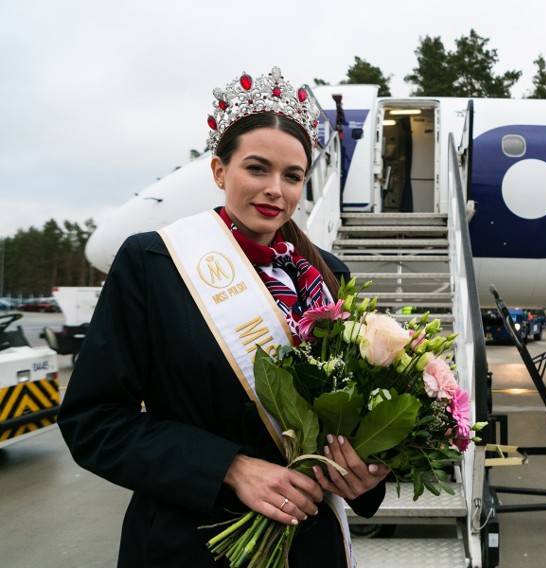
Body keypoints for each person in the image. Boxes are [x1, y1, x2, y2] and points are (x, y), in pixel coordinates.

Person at [58, 67, 388, 568]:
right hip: (192, 542)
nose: (275, 189)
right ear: (219, 171)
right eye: (257, 169)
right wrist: (229, 468)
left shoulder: (327, 275)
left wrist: (362, 477)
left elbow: (348, 416)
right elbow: (94, 421)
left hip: (309, 541)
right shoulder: (155, 263)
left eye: (292, 176)